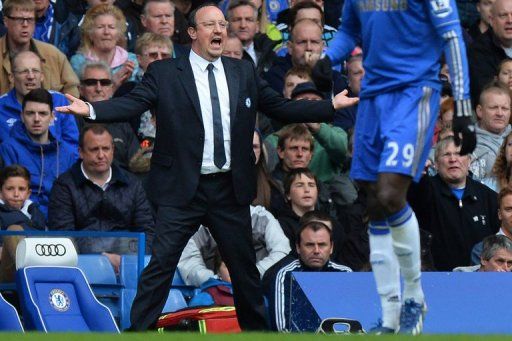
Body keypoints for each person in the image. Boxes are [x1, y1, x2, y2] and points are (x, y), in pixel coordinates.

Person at [55, 3, 358, 331]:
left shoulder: (242, 71)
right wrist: (90, 108)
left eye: (222, 24)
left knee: (244, 271)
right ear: (192, 33)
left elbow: (280, 107)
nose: (219, 30)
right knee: (160, 267)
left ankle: (258, 334)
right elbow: (132, 103)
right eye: (210, 24)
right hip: (183, 189)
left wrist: (329, 106)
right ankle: (136, 333)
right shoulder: (167, 72)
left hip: (228, 189)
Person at [312, 0, 474, 333]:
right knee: (374, 202)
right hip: (372, 98)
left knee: (388, 195)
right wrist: (329, 57)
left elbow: (453, 37)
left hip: (414, 94)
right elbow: (349, 30)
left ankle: (414, 297)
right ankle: (389, 316)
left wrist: (463, 104)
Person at [48, 124, 155, 273]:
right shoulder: (64, 186)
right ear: (81, 152)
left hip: (129, 263)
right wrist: (99, 258)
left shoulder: (132, 184)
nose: (101, 155)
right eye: (94, 149)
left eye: (106, 149)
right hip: (82, 265)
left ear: (113, 150)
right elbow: (63, 235)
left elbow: (146, 232)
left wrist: (127, 260)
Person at [408, 137, 499, 271]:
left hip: (480, 279)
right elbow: (415, 195)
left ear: (469, 161)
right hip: (436, 277)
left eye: (459, 154)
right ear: (436, 164)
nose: (453, 159)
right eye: (446, 154)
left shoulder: (488, 197)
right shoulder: (425, 190)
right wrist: (419, 177)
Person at [0, 88, 77, 218]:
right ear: (22, 116)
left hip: (61, 222)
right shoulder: (8, 149)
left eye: (43, 113)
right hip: (23, 221)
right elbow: (8, 195)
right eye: (30, 113)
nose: (36, 119)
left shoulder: (67, 153)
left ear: (52, 117)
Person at [262, 220, 351, 332]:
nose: (316, 251)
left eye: (322, 245)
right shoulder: (286, 275)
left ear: (331, 247)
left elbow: (356, 321)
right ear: (298, 247)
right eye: (309, 245)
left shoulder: (345, 274)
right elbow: (283, 329)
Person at [177, 204, 290, 287]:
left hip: (261, 285)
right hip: (214, 291)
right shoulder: (195, 225)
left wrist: (251, 275)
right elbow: (189, 265)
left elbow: (282, 253)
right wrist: (219, 280)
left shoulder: (260, 217)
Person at [0, 0, 79, 97]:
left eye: (30, 19)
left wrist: (56, 111)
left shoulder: (53, 55)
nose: (25, 25)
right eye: (19, 19)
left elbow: (72, 92)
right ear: (6, 21)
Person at [0, 51, 79, 147]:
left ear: (42, 76)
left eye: (35, 71)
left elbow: (73, 144)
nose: (31, 76)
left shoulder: (59, 101)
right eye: (24, 71)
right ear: (11, 77)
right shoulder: (1, 106)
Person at [70, 4, 140, 91]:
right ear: (90, 33)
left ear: (119, 33)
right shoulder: (78, 62)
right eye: (100, 27)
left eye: (111, 27)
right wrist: (113, 83)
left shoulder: (132, 60)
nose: (106, 32)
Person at [0, 164, 46, 283]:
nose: (16, 194)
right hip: (7, 277)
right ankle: (31, 279)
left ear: (28, 193)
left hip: (40, 265)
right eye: (10, 189)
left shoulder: (36, 213)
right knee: (14, 230)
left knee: (67, 239)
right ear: (0, 191)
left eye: (21, 189)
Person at [469, 0, 512, 104]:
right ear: (492, 21)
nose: (510, 20)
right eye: (503, 15)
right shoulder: (478, 51)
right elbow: (487, 96)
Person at [470, 84, 512, 181]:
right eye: (493, 108)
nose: (500, 113)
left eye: (505, 108)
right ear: (479, 111)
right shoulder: (465, 142)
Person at [227, 0, 277, 74]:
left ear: (257, 26)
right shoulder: (217, 54)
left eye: (249, 20)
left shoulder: (269, 53)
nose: (243, 25)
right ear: (227, 25)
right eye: (237, 20)